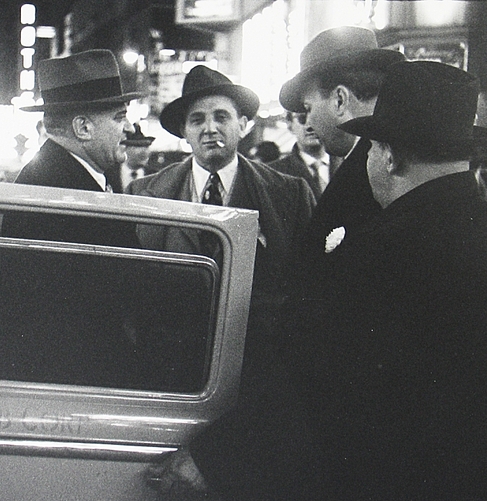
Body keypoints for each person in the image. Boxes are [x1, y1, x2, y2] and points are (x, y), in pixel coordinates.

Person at [152, 61, 487, 501]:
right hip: (453, 499)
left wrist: (212, 460)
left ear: (387, 155)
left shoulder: (391, 245)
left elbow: (323, 385)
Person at [126, 64, 316, 401]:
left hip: (258, 380)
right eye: (197, 120)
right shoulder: (145, 194)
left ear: (243, 125)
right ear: (184, 132)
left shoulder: (289, 194)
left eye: (221, 117)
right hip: (172, 376)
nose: (210, 128)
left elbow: (306, 292)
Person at [0, 49, 143, 384]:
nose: (129, 128)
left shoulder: (66, 176)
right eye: (119, 117)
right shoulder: (58, 190)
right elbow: (99, 303)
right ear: (83, 127)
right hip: (72, 388)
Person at [278, 26, 404, 278]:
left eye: (308, 107)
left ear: (339, 100)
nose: (309, 122)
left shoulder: (373, 173)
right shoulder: (399, 158)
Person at [270, 111, 332, 200]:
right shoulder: (274, 174)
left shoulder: (349, 167)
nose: (310, 126)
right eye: (301, 118)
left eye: (317, 117)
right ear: (290, 126)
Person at [117, 122, 155, 190]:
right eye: (138, 146)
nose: (145, 152)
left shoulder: (156, 176)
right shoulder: (109, 175)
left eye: (146, 147)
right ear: (125, 149)